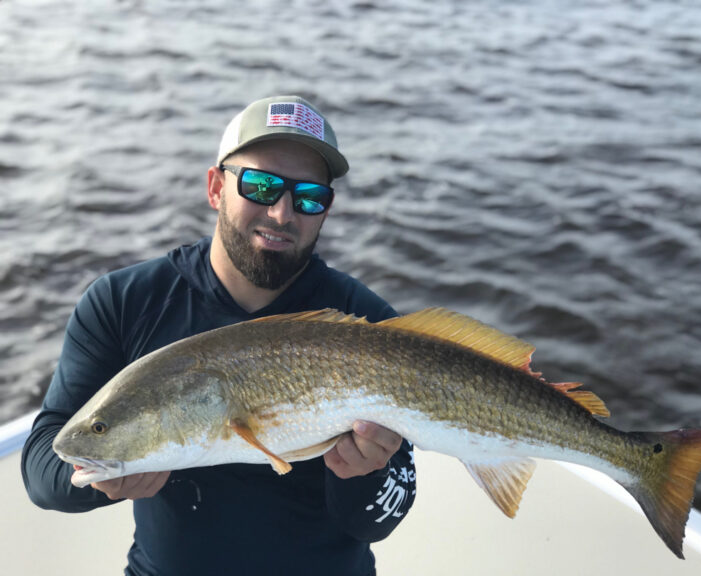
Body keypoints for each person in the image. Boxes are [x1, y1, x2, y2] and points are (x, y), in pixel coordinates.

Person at [21, 95, 416, 576]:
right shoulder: (125, 302)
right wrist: (99, 480)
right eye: (261, 185)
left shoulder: (366, 324)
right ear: (215, 188)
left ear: (325, 212)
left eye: (310, 196)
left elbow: (381, 519)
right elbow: (45, 464)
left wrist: (366, 473)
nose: (282, 214)